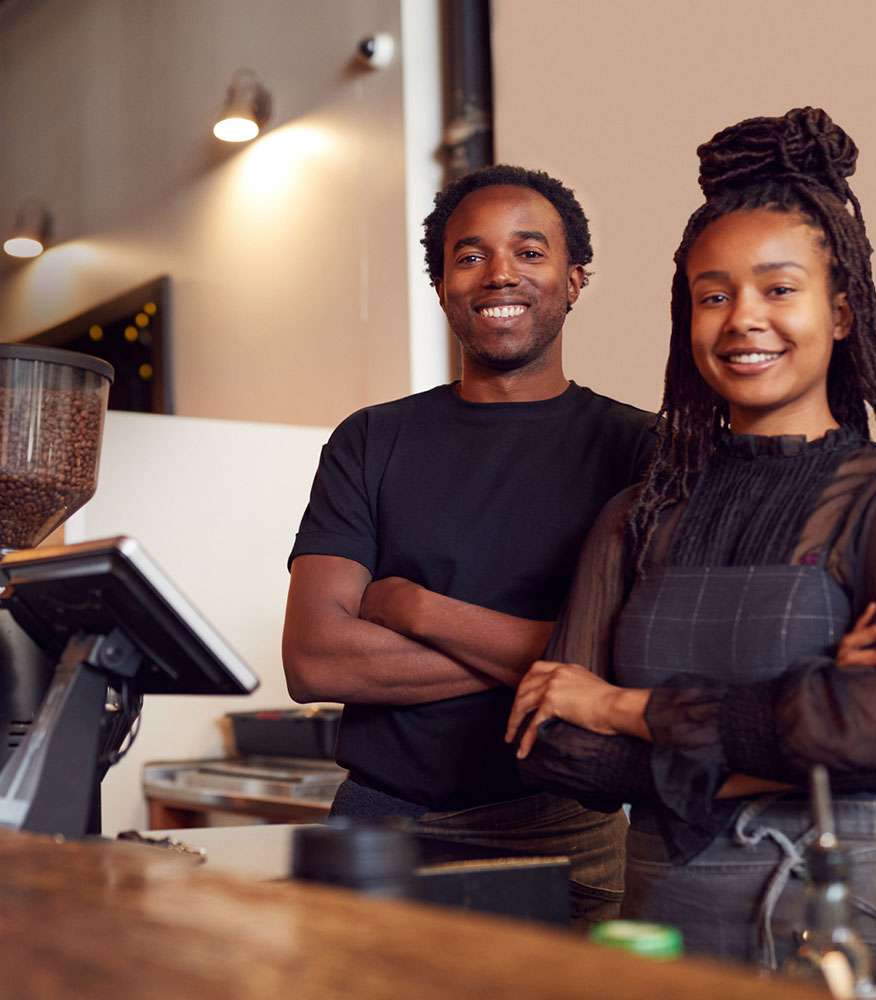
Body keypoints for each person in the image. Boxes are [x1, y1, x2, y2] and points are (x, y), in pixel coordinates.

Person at [506, 108, 876, 995]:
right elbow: (556, 750)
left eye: (777, 289)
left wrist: (623, 707)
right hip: (663, 931)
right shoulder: (637, 516)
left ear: (841, 311)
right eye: (713, 294)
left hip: (853, 927)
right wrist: (807, 705)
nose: (742, 320)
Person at [283, 165, 655, 927]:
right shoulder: (371, 439)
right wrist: (554, 657)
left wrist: (415, 608)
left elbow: (632, 664)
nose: (500, 274)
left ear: (575, 278)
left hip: (569, 835)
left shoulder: (642, 449)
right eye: (470, 255)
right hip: (381, 828)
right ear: (443, 283)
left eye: (529, 251)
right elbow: (315, 659)